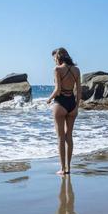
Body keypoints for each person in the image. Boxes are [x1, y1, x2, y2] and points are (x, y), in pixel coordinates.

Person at [47, 47, 81, 175]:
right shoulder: (76, 70)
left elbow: (57, 90)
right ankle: (69, 168)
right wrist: (76, 106)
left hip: (60, 104)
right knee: (69, 137)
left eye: (54, 58)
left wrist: (48, 99)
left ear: (58, 57)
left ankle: (62, 169)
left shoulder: (57, 69)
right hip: (72, 104)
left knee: (61, 137)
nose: (54, 60)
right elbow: (79, 91)